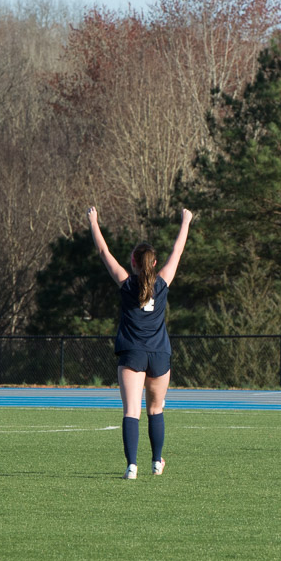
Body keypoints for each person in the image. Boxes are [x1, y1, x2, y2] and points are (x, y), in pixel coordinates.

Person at [88, 205, 193, 480]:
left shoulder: (126, 283)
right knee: (156, 409)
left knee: (131, 411)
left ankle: (131, 466)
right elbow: (178, 251)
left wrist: (94, 222)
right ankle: (157, 462)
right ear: (154, 264)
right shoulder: (162, 284)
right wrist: (186, 222)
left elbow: (103, 253)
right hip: (159, 355)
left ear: (133, 263)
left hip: (133, 355)